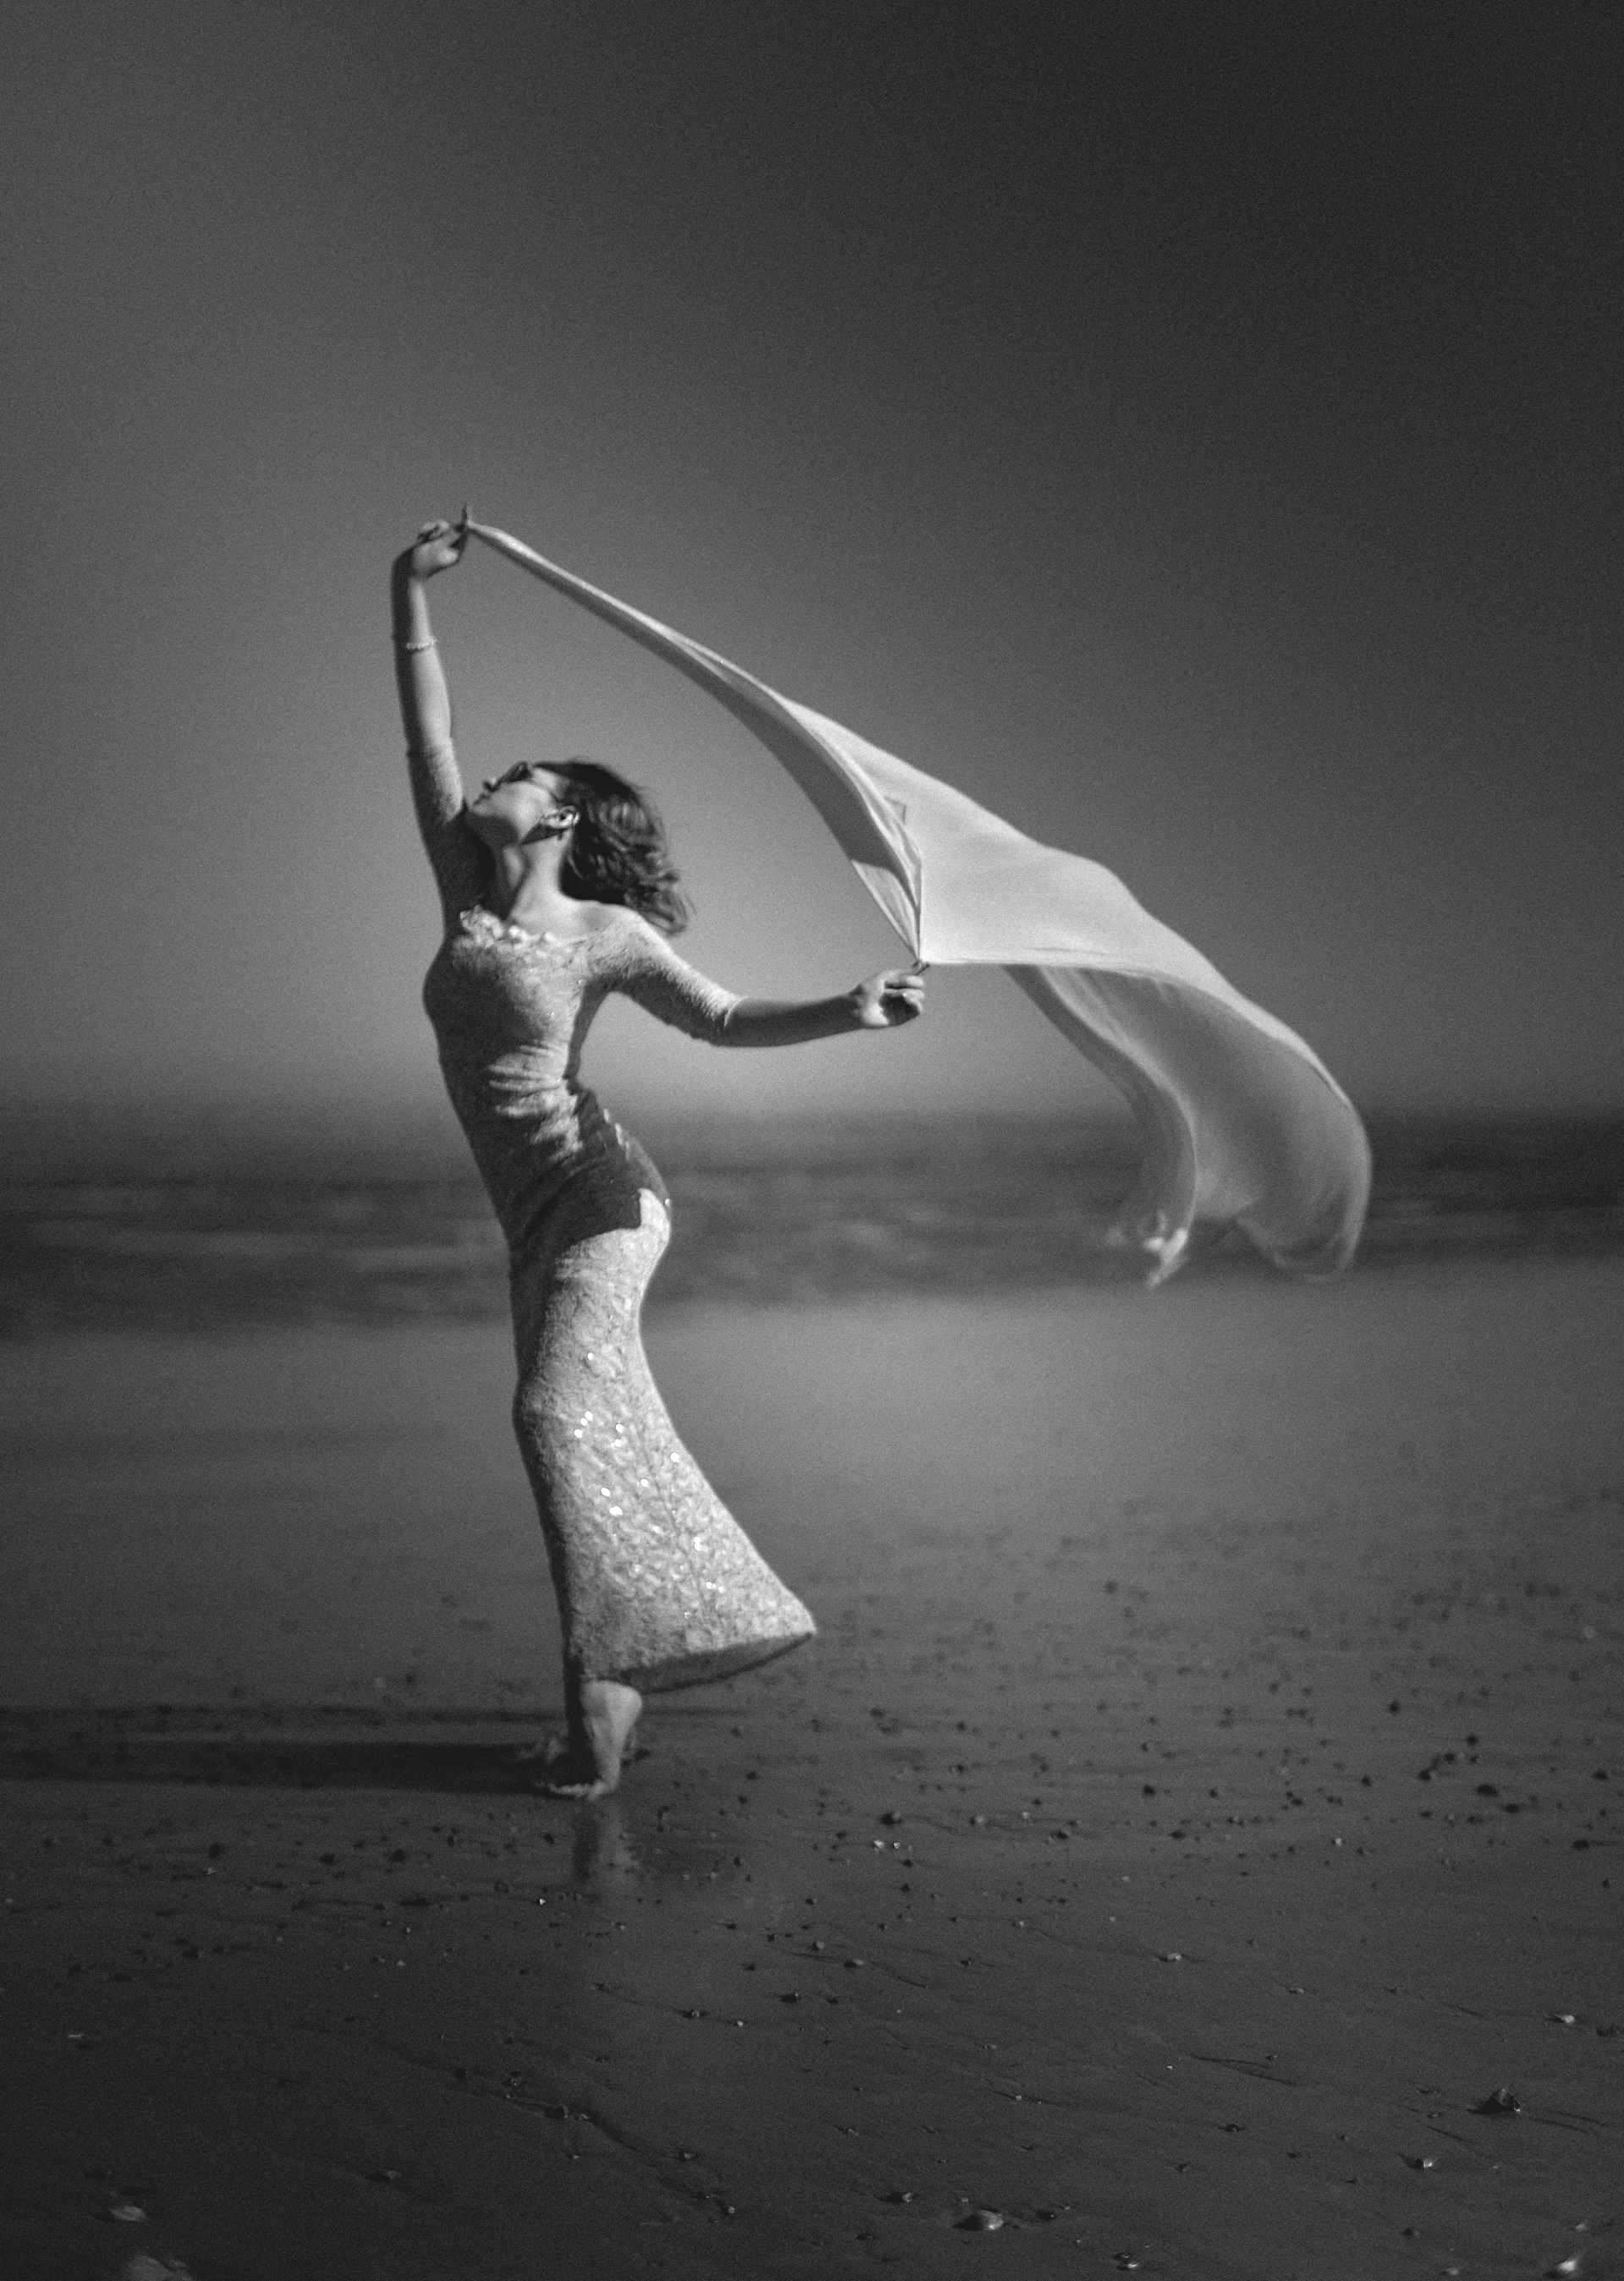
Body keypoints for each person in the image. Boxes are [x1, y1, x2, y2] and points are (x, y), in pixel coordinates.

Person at [391, 516, 925, 1796]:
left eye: (521, 773)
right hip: (529, 1217)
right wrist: (402, 589)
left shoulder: (609, 929)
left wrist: (848, 1009)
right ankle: (603, 1683)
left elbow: (723, 1017)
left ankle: (614, 1696)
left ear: (564, 815)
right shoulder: (463, 883)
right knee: (585, 1436)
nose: (493, 778)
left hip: (601, 1196)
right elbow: (426, 737)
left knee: (552, 1412)